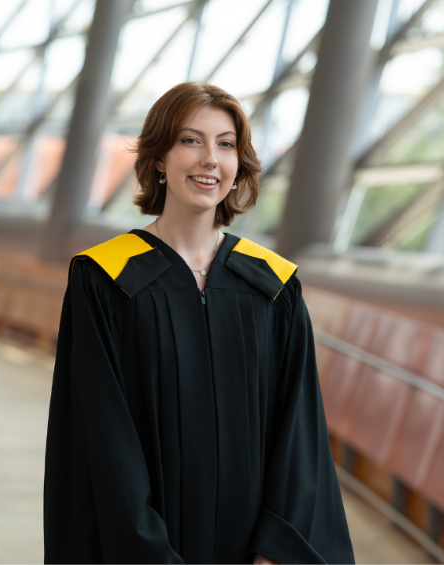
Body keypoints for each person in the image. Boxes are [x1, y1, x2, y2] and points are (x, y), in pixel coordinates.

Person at [43, 82, 354, 564]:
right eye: (191, 140)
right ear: (160, 159)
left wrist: (275, 550)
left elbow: (301, 432)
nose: (210, 158)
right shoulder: (105, 279)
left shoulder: (272, 286)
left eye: (225, 144)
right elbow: (100, 439)